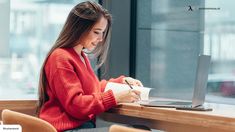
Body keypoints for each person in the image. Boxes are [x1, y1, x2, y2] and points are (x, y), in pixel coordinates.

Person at [37, 1, 143, 132]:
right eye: (97, 32)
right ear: (79, 28)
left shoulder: (80, 56)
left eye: (102, 33)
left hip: (81, 127)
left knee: (139, 128)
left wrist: (120, 82)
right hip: (67, 129)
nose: (101, 39)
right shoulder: (60, 58)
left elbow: (91, 88)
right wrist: (115, 97)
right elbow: (76, 105)